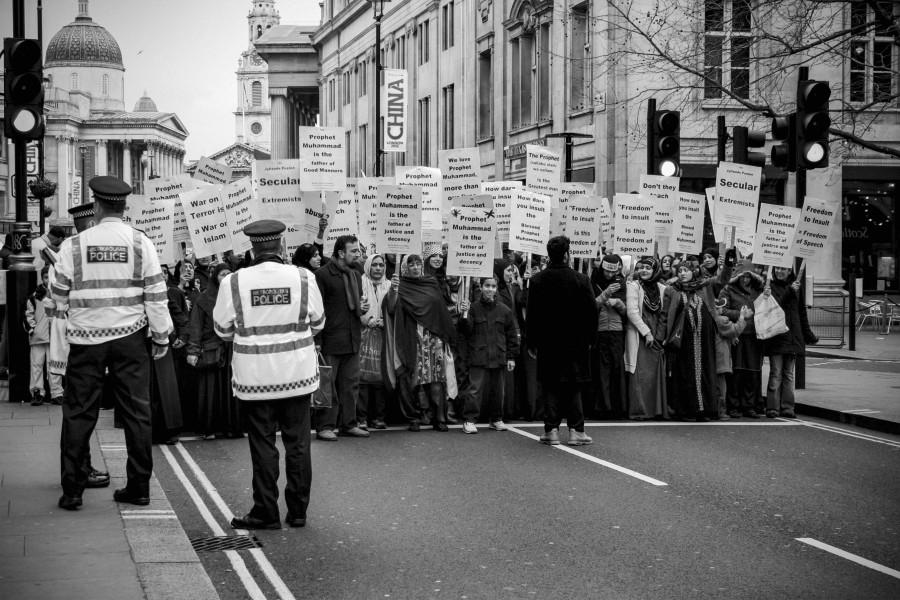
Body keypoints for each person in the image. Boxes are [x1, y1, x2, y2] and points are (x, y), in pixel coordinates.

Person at [53, 176, 172, 510]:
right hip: (130, 338)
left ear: (96, 204)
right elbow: (156, 294)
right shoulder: (140, 243)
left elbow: (56, 298)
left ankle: (73, 490)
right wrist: (161, 335)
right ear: (124, 206)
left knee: (79, 412)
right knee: (137, 413)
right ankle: (138, 488)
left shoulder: (73, 245)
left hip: (86, 339)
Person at [214, 220, 325, 530]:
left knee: (263, 444)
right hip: (297, 373)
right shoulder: (303, 277)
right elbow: (318, 323)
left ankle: (265, 511)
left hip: (255, 378)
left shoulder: (233, 282)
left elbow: (222, 330)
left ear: (253, 246)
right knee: (299, 444)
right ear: (280, 245)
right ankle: (298, 511)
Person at [526, 236, 598, 446]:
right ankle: (576, 431)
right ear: (567, 254)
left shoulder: (537, 280)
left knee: (550, 385)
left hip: (548, 343)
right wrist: (591, 339)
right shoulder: (581, 279)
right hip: (576, 343)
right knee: (574, 385)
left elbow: (532, 315)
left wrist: (532, 343)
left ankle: (552, 431)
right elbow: (591, 313)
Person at [383, 255, 458, 432]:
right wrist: (393, 290)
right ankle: (414, 417)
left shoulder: (430, 283)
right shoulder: (400, 285)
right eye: (411, 264)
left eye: (418, 264)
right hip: (411, 338)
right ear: (404, 268)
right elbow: (391, 308)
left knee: (437, 378)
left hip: (433, 339)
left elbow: (441, 309)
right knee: (409, 377)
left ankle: (439, 418)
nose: (415, 267)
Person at [313, 235, 371, 440]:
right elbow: (316, 309)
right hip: (330, 339)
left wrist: (362, 308)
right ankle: (325, 426)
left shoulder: (355, 274)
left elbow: (356, 304)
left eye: (359, 250)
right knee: (327, 385)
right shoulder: (322, 275)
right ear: (340, 253)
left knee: (350, 385)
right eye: (354, 251)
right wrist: (317, 341)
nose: (359, 254)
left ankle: (349, 424)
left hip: (352, 337)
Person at [660, 257, 719, 421]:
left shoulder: (704, 288)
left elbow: (722, 279)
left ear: (694, 272)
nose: (682, 273)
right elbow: (665, 315)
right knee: (685, 374)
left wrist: (727, 263)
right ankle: (686, 410)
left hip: (703, 342)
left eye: (685, 270)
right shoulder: (672, 290)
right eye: (679, 271)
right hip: (683, 342)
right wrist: (661, 337)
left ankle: (703, 409)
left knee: (703, 373)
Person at [458, 275, 518, 433]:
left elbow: (511, 335)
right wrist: (464, 314)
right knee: (474, 390)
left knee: (498, 391)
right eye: (487, 286)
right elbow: (465, 331)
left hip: (498, 356)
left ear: (497, 288)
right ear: (481, 287)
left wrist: (511, 356)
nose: (490, 289)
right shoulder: (472, 308)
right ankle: (469, 420)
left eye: (493, 286)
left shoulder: (505, 310)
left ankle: (496, 419)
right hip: (478, 355)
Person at [189, 262, 242, 438]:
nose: (226, 277)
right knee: (210, 391)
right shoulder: (203, 299)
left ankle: (230, 428)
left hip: (231, 350)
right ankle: (209, 429)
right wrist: (193, 350)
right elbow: (195, 326)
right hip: (211, 350)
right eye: (222, 274)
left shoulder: (238, 297)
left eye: (229, 273)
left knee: (230, 389)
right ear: (214, 277)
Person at [763, 266, 818, 419]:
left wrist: (808, 334)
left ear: (789, 271)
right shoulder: (769, 287)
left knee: (788, 375)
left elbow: (801, 312)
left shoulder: (795, 287)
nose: (780, 271)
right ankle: (772, 408)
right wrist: (789, 291)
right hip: (777, 337)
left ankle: (787, 408)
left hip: (792, 337)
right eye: (778, 268)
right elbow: (774, 309)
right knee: (776, 374)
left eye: (783, 269)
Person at [719, 260, 765, 419]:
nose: (745, 280)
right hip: (737, 335)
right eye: (742, 276)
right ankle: (733, 405)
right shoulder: (728, 290)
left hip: (754, 337)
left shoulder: (758, 291)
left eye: (748, 276)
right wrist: (739, 315)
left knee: (752, 373)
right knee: (736, 373)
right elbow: (722, 310)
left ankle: (749, 406)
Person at [624, 257, 667, 420]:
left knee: (654, 373)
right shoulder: (634, 286)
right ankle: (640, 411)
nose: (644, 271)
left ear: (655, 270)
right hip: (640, 335)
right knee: (640, 373)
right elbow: (632, 313)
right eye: (641, 268)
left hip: (656, 336)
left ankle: (655, 410)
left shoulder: (663, 288)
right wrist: (646, 333)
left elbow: (665, 314)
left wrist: (659, 335)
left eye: (648, 268)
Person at [589, 253, 627, 419]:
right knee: (601, 370)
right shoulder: (593, 281)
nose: (610, 275)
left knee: (616, 368)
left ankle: (616, 408)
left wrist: (617, 302)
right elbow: (590, 305)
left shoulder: (621, 282)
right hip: (600, 330)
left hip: (617, 330)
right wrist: (605, 294)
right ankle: (600, 408)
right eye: (607, 272)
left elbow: (626, 310)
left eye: (613, 273)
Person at [358, 253, 391, 430]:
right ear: (368, 266)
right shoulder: (361, 283)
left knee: (380, 378)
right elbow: (357, 304)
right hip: (364, 333)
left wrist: (385, 321)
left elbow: (394, 309)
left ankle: (379, 417)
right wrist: (368, 319)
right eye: (374, 265)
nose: (378, 268)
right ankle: (361, 417)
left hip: (384, 334)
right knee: (363, 377)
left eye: (381, 265)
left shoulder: (390, 285)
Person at [25, 267, 63, 406]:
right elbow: (28, 316)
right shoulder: (35, 297)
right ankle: (37, 392)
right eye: (46, 277)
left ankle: (57, 393)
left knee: (55, 365)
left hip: (54, 336)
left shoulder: (59, 294)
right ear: (42, 278)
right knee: (37, 365)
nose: (48, 280)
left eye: (50, 277)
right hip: (39, 336)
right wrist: (32, 330)